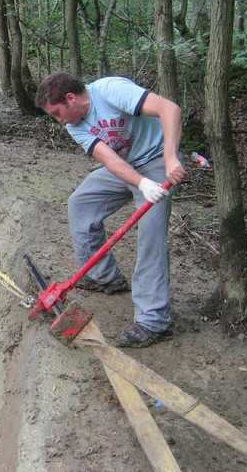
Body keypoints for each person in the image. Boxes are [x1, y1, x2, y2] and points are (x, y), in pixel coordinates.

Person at [35, 72, 186, 348]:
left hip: (156, 161)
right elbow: (110, 160)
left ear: (70, 99)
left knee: (150, 237)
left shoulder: (109, 91)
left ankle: (154, 321)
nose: (59, 121)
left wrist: (170, 157)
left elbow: (170, 109)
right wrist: (140, 183)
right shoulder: (75, 125)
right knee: (80, 204)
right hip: (127, 168)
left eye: (57, 113)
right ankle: (104, 277)